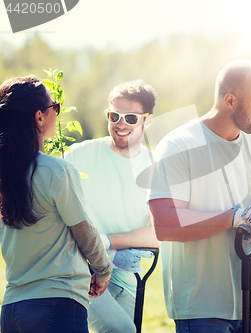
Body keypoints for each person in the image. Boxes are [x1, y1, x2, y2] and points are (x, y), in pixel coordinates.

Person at [147, 59, 251, 333]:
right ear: (230, 100)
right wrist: (234, 218)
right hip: (202, 307)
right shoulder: (178, 145)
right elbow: (165, 224)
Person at [0, 76, 112, 332]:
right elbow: (83, 231)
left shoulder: (3, 177)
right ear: (39, 117)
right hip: (56, 304)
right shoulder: (56, 171)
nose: (56, 113)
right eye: (55, 107)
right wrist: (103, 270)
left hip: (11, 309)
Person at [65, 80, 159, 333]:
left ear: (147, 121)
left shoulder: (156, 166)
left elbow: (160, 233)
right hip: (82, 271)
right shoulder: (76, 156)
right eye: (114, 115)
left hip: (129, 273)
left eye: (130, 118)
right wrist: (100, 248)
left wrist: (108, 242)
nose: (120, 123)